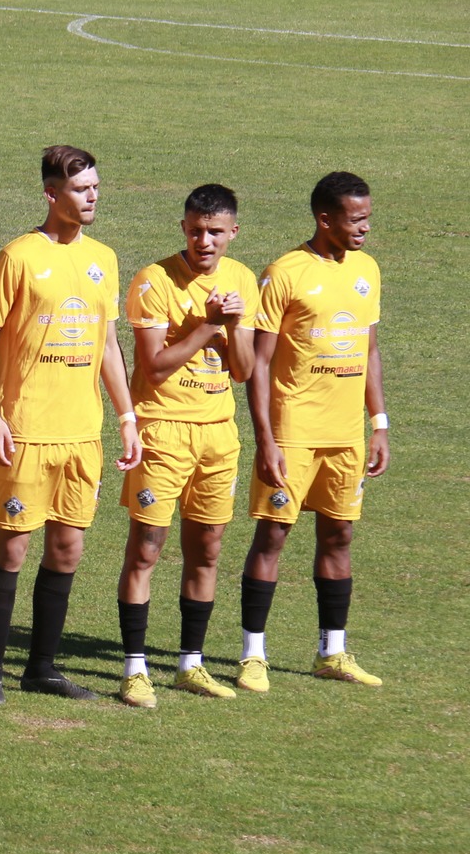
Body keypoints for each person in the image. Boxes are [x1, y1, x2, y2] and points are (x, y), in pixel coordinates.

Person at [0, 144, 142, 703]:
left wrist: (126, 415)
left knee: (67, 550)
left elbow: (107, 344)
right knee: (13, 549)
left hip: (81, 433)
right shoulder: (18, 256)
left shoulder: (105, 259)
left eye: (95, 186)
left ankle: (41, 667)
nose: (92, 196)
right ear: (51, 194)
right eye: (80, 189)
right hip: (26, 431)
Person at [236, 172, 389, 692]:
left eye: (367, 216)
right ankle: (252, 655)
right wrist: (266, 439)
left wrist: (379, 423)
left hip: (345, 436)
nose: (365, 226)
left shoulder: (366, 270)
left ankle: (333, 651)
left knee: (339, 534)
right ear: (325, 219)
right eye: (356, 217)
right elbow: (259, 364)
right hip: (294, 433)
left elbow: (368, 352)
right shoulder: (285, 273)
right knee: (274, 535)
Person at [114, 184, 259, 707]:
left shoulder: (242, 280)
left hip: (219, 434)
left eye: (215, 232)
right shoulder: (154, 281)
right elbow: (152, 367)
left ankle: (190, 665)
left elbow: (243, 371)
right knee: (147, 548)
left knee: (208, 550)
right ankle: (135, 670)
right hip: (162, 429)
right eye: (196, 230)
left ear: (232, 233)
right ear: (184, 228)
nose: (205, 240)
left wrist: (236, 323)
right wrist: (207, 326)